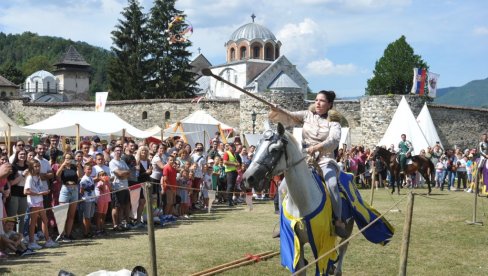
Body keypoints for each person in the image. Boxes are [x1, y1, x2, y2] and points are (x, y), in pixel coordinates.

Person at [269, 90, 346, 237]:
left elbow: (334, 141)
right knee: (282, 189)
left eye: (322, 100)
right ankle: (283, 224)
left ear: (329, 104)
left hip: (325, 160)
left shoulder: (334, 123)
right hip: (305, 160)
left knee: (332, 185)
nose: (318, 103)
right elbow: (289, 115)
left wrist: (317, 147)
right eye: (316, 100)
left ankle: (338, 221)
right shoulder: (307, 115)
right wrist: (276, 108)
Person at [23, 159, 58, 250]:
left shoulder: (37, 176)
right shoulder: (30, 177)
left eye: (39, 166)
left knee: (45, 220)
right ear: (31, 167)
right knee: (33, 222)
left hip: (39, 200)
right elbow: (26, 191)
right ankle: (31, 242)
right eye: (35, 166)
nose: (38, 168)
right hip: (33, 202)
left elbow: (38, 188)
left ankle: (48, 240)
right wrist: (39, 194)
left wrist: (44, 192)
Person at [79, 164, 96, 238]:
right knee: (86, 217)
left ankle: (88, 231)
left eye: (90, 169)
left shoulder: (91, 178)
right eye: (88, 169)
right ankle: (86, 232)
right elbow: (81, 191)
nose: (89, 171)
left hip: (92, 199)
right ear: (84, 170)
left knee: (90, 216)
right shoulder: (84, 179)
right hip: (87, 199)